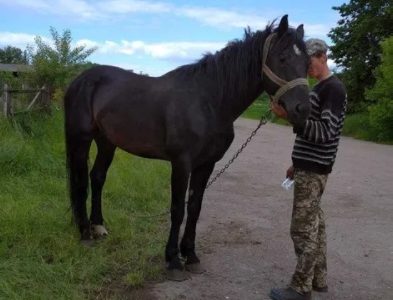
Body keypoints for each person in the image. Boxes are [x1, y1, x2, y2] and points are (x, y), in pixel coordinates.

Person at [269, 38, 347, 300]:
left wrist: (288, 117)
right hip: (307, 165)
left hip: (314, 170)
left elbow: (326, 133)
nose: (306, 68)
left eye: (309, 62)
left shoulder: (333, 89)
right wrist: (295, 163)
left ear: (323, 57)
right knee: (316, 226)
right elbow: (309, 133)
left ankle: (300, 288)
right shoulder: (319, 89)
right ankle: (318, 279)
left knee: (302, 230)